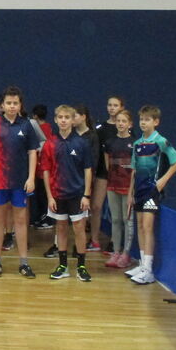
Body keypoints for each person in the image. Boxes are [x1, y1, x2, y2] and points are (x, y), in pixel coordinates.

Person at [0, 86, 38, 278]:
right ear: (2, 105)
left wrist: (31, 177)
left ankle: (24, 263)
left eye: (15, 103)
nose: (12, 106)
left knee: (20, 220)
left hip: (20, 181)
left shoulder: (26, 125)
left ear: (20, 105)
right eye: (9, 103)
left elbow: (32, 152)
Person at [125, 105, 176, 285]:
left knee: (148, 227)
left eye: (147, 120)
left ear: (156, 122)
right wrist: (130, 193)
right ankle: (143, 265)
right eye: (141, 119)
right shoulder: (137, 144)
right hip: (139, 190)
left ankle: (149, 270)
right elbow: (134, 170)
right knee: (140, 227)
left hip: (152, 190)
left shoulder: (161, 141)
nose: (143, 123)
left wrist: (163, 180)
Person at [41, 105, 94, 282]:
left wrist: (86, 195)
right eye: (60, 117)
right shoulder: (50, 144)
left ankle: (81, 266)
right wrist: (49, 196)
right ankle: (63, 266)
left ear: (73, 120)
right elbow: (46, 171)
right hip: (57, 195)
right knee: (61, 228)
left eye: (67, 117)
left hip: (77, 194)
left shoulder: (82, 143)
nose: (63, 120)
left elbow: (88, 170)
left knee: (79, 228)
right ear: (55, 120)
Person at [91, 95, 128, 253]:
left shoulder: (126, 128)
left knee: (117, 211)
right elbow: (95, 152)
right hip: (102, 173)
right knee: (96, 206)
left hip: (120, 176)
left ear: (121, 107)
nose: (112, 108)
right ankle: (94, 240)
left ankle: (114, 242)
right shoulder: (100, 129)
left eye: (115, 105)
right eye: (109, 105)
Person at [104, 109, 135, 269]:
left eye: (124, 121)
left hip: (128, 187)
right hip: (112, 185)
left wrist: (132, 190)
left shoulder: (135, 143)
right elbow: (107, 165)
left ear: (130, 124)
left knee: (126, 220)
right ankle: (116, 252)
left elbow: (136, 168)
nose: (121, 124)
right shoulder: (110, 143)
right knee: (115, 219)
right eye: (118, 121)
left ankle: (126, 253)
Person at [73, 104, 101, 251]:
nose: (71, 119)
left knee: (82, 214)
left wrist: (88, 180)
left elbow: (94, 160)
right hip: (70, 179)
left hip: (84, 180)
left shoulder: (92, 136)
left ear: (83, 117)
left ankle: (80, 248)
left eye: (75, 116)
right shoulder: (70, 134)